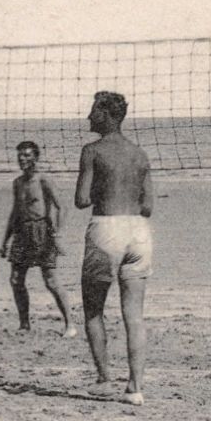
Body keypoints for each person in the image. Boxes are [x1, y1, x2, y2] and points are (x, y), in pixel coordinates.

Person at [75, 91, 154, 405]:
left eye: (93, 111)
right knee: (134, 316)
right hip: (139, 230)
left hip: (106, 228)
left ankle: (104, 378)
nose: (88, 117)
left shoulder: (92, 151)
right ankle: (135, 388)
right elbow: (148, 205)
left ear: (106, 114)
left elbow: (81, 199)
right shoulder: (140, 154)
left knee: (93, 310)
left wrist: (104, 189)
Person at [0, 140, 76, 337]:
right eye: (20, 155)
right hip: (21, 232)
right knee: (16, 280)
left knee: (50, 280)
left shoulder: (43, 180)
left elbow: (62, 207)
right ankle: (24, 324)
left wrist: (57, 233)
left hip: (42, 231)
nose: (22, 159)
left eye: (26, 155)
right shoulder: (17, 183)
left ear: (36, 157)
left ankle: (70, 323)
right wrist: (5, 241)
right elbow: (15, 212)